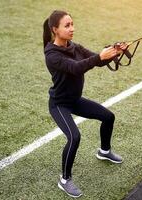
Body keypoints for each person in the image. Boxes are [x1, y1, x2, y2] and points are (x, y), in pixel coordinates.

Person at [43, 10, 126, 198]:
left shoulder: (74, 46)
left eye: (72, 24)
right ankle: (64, 179)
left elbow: (97, 60)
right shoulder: (52, 56)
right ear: (55, 29)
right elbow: (76, 68)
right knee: (74, 137)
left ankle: (104, 151)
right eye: (67, 25)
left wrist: (114, 52)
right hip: (59, 104)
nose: (72, 28)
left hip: (75, 101)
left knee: (108, 117)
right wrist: (99, 57)